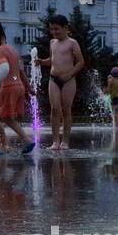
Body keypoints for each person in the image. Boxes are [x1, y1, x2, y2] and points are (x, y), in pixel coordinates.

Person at [0, 22, 34, 155]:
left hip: (8, 87)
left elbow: (4, 69)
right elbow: (20, 70)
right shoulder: (12, 49)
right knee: (5, 117)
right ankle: (27, 140)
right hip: (18, 85)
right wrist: (28, 88)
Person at [38, 15, 84, 150]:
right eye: (52, 29)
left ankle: (65, 142)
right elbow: (52, 60)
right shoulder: (53, 43)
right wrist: (42, 62)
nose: (54, 32)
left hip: (68, 80)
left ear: (65, 28)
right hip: (54, 79)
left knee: (66, 110)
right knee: (55, 109)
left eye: (57, 29)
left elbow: (81, 62)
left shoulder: (72, 43)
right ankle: (55, 142)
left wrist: (69, 74)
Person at [106, 66, 118, 131]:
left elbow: (108, 90)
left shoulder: (111, 80)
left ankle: (116, 124)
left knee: (114, 111)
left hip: (114, 97)